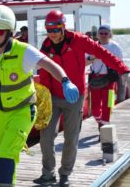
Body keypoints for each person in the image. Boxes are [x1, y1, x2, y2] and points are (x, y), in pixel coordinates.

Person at [0, 5, 80, 187]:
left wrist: (65, 80)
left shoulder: (23, 51)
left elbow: (49, 64)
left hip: (22, 111)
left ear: (10, 32)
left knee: (7, 154)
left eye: (0, 31)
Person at [35, 10, 129, 187]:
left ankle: (65, 173)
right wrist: (42, 99)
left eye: (56, 29)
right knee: (46, 137)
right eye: (49, 30)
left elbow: (102, 53)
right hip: (53, 97)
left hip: (74, 96)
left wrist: (123, 69)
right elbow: (44, 73)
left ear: (63, 27)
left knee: (71, 137)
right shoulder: (45, 47)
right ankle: (48, 173)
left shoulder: (79, 40)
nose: (52, 33)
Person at [88, 25, 125, 129]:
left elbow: (120, 63)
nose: (103, 35)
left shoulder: (115, 47)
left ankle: (104, 126)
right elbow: (85, 62)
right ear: (98, 35)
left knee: (108, 104)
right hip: (96, 79)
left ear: (110, 34)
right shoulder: (92, 46)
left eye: (106, 33)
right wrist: (93, 57)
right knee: (95, 109)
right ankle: (100, 120)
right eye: (101, 33)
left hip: (110, 80)